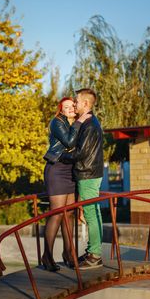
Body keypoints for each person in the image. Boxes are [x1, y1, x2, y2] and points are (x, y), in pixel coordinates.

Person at [41, 97, 91, 271]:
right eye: (66, 107)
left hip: (70, 171)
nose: (70, 108)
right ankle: (47, 256)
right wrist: (80, 121)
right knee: (56, 214)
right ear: (61, 110)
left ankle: (68, 254)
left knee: (69, 214)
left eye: (72, 106)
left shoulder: (72, 126)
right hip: (56, 170)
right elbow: (69, 142)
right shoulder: (57, 122)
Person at [61, 88, 104, 270]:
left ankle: (95, 256)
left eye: (77, 101)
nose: (75, 104)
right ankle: (93, 252)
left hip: (88, 174)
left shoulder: (90, 125)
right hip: (90, 173)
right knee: (94, 212)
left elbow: (82, 152)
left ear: (86, 103)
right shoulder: (90, 122)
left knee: (91, 215)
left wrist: (62, 156)